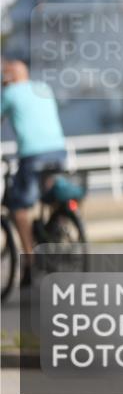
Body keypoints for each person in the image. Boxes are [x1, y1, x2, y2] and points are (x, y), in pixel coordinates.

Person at [1, 58, 68, 257]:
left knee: (19, 206)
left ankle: (30, 259)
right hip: (58, 151)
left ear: (9, 77)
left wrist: (5, 86)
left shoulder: (10, 93)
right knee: (51, 192)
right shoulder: (43, 88)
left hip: (32, 155)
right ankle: (58, 226)